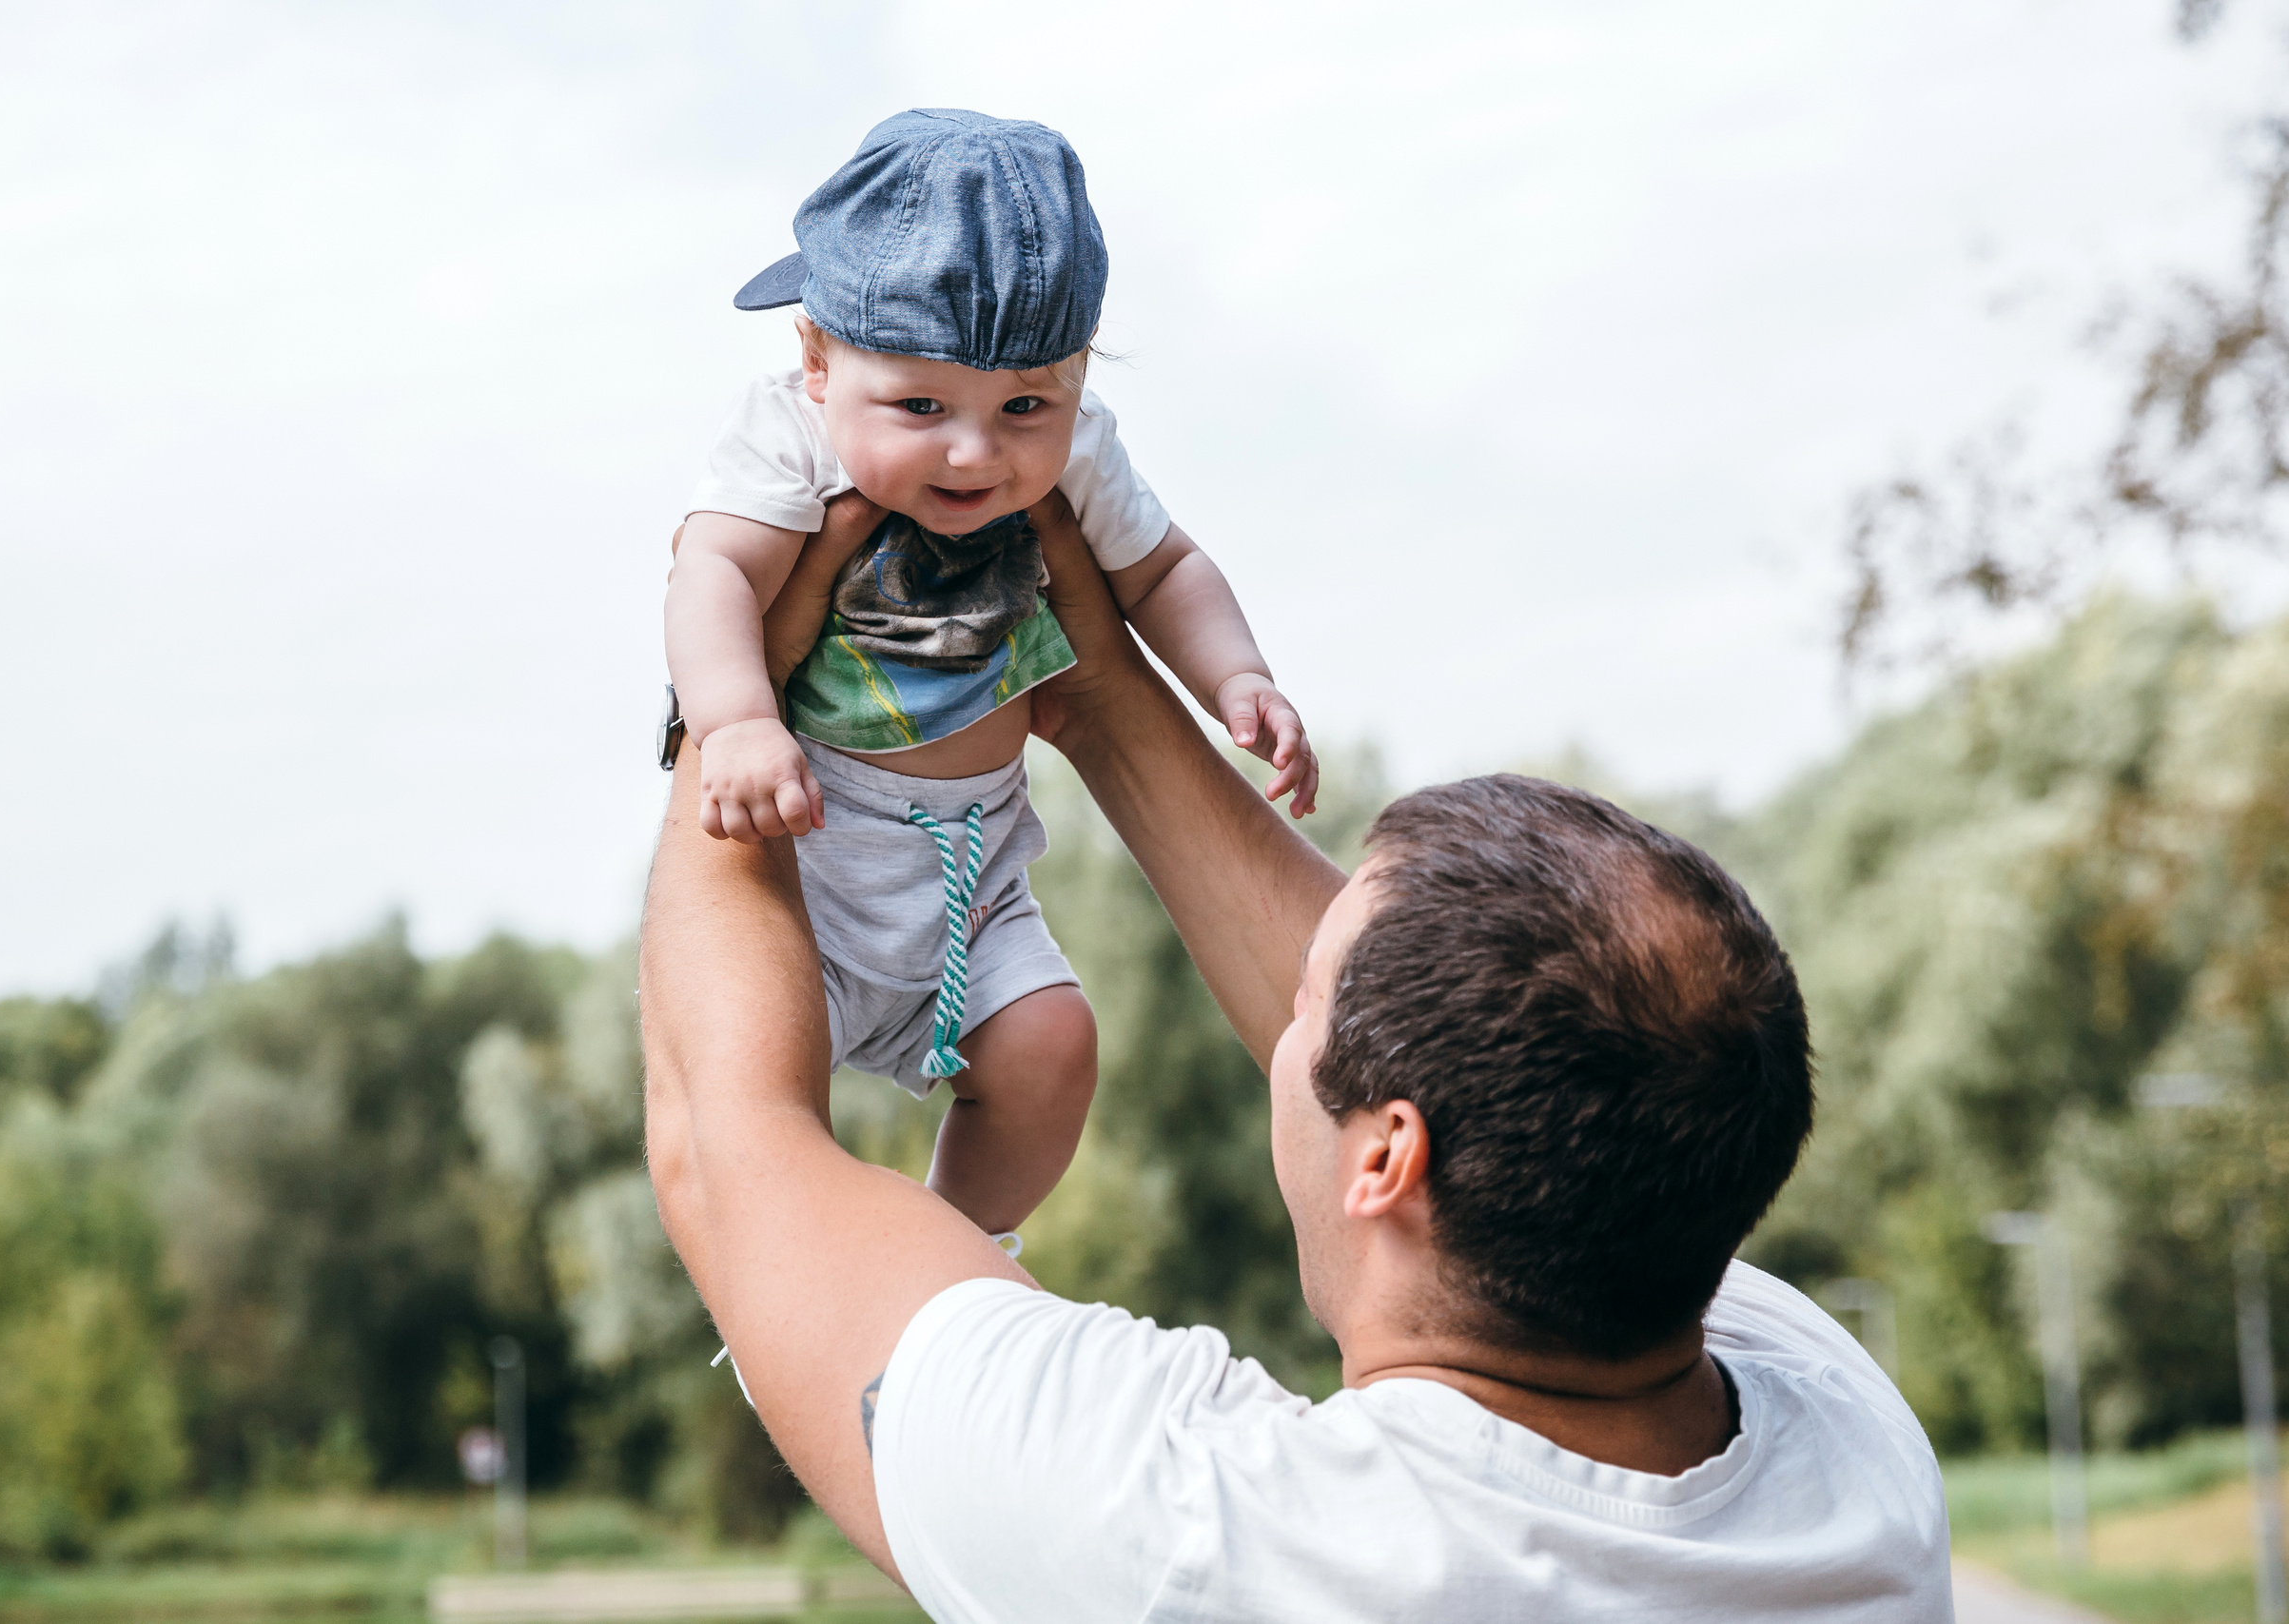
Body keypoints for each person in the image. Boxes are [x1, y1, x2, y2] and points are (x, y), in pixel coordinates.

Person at [639, 497, 1955, 1620]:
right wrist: (1097, 685)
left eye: (1311, 1003)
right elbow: (1485, 1064)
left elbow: (729, 1144)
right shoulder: (1847, 1458)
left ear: (1386, 1155)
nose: (1286, 1016)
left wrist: (740, 693)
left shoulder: (1204, 1543)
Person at [663, 108, 1314, 1239]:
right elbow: (710, 572)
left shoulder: (1084, 452)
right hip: (810, 853)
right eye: (921, 407)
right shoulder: (789, 441)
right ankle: (801, 1288)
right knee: (758, 1100)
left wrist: (1235, 678)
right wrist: (734, 725)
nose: (976, 452)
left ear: (1077, 378)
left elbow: (1165, 572)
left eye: (1025, 405)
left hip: (979, 868)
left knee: (1054, 1045)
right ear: (817, 361)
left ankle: (957, 1252)